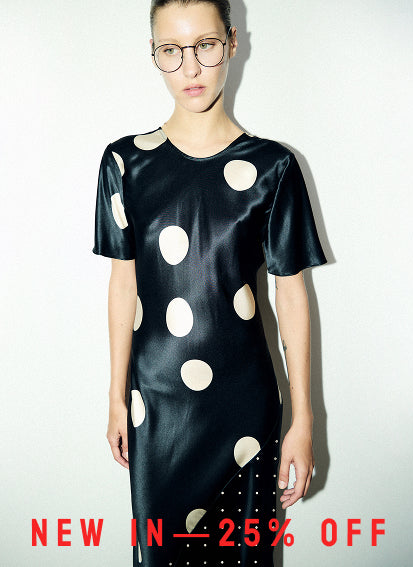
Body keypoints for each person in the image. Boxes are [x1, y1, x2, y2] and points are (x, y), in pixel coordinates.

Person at [92, 1, 327, 565]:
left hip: (244, 408)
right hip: (157, 407)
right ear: (154, 55)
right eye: (170, 51)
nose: (190, 67)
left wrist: (303, 420)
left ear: (232, 42)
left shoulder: (274, 168)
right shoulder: (124, 164)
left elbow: (291, 295)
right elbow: (124, 286)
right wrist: (115, 396)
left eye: (205, 45)